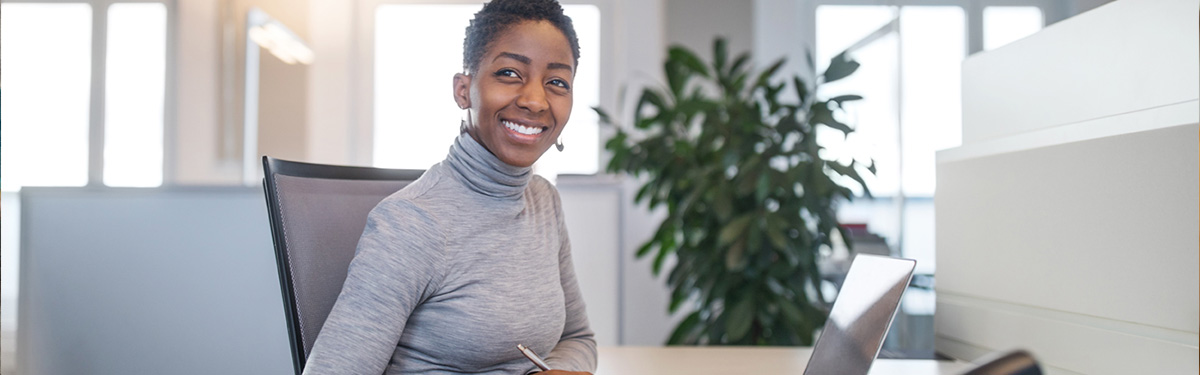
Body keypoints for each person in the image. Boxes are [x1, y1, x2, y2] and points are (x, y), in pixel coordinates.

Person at [301, 0, 596, 374]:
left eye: (557, 82)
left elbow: (578, 337)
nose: (535, 100)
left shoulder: (543, 201)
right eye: (509, 73)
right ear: (463, 90)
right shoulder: (411, 223)